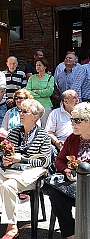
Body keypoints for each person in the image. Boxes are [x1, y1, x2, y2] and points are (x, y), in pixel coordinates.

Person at [0, 99, 51, 239]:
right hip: (10, 169)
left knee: (8, 186)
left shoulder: (43, 135)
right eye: (20, 111)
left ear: (35, 116)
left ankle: (12, 227)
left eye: (25, 111)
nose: (21, 114)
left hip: (30, 172)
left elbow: (45, 161)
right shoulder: (15, 131)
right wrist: (2, 158)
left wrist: (21, 159)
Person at [49, 102, 90, 239]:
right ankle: (70, 233)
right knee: (56, 194)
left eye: (77, 120)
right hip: (74, 186)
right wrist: (66, 170)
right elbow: (59, 160)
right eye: (72, 119)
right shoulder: (72, 138)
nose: (72, 123)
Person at [26, 58, 54, 128]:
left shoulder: (50, 78)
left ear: (45, 67)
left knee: (45, 126)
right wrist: (42, 93)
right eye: (36, 65)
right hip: (33, 105)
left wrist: (36, 91)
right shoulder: (32, 78)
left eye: (39, 65)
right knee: (33, 125)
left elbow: (49, 92)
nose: (37, 67)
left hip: (46, 105)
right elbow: (28, 91)